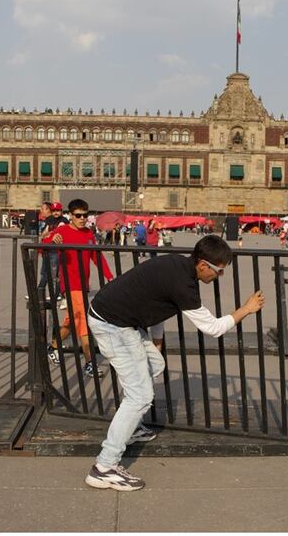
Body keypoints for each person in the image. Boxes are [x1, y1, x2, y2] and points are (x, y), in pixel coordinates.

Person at [83, 235, 265, 491]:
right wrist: (246, 309)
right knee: (140, 396)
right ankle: (104, 467)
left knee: (154, 365)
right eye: (219, 271)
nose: (220, 277)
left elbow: (155, 301)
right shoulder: (184, 285)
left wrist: (155, 341)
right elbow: (213, 328)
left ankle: (129, 427)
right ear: (203, 265)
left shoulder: (176, 265)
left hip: (121, 319)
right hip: (112, 325)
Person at [44, 199, 114, 376]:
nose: (82, 218)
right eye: (78, 215)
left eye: (85, 215)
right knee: (83, 321)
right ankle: (89, 362)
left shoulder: (89, 234)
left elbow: (96, 257)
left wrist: (109, 276)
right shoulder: (62, 231)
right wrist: (52, 240)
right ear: (71, 216)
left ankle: (52, 347)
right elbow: (42, 245)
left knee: (72, 321)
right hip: (69, 284)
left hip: (83, 285)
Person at [39, 203, 69, 307]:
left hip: (56, 251)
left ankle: (56, 296)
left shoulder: (64, 221)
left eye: (58, 210)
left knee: (55, 275)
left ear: (61, 211)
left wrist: (49, 235)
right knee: (45, 272)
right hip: (47, 250)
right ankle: (41, 292)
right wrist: (48, 235)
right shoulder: (50, 220)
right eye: (54, 210)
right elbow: (43, 233)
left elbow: (58, 232)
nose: (56, 212)